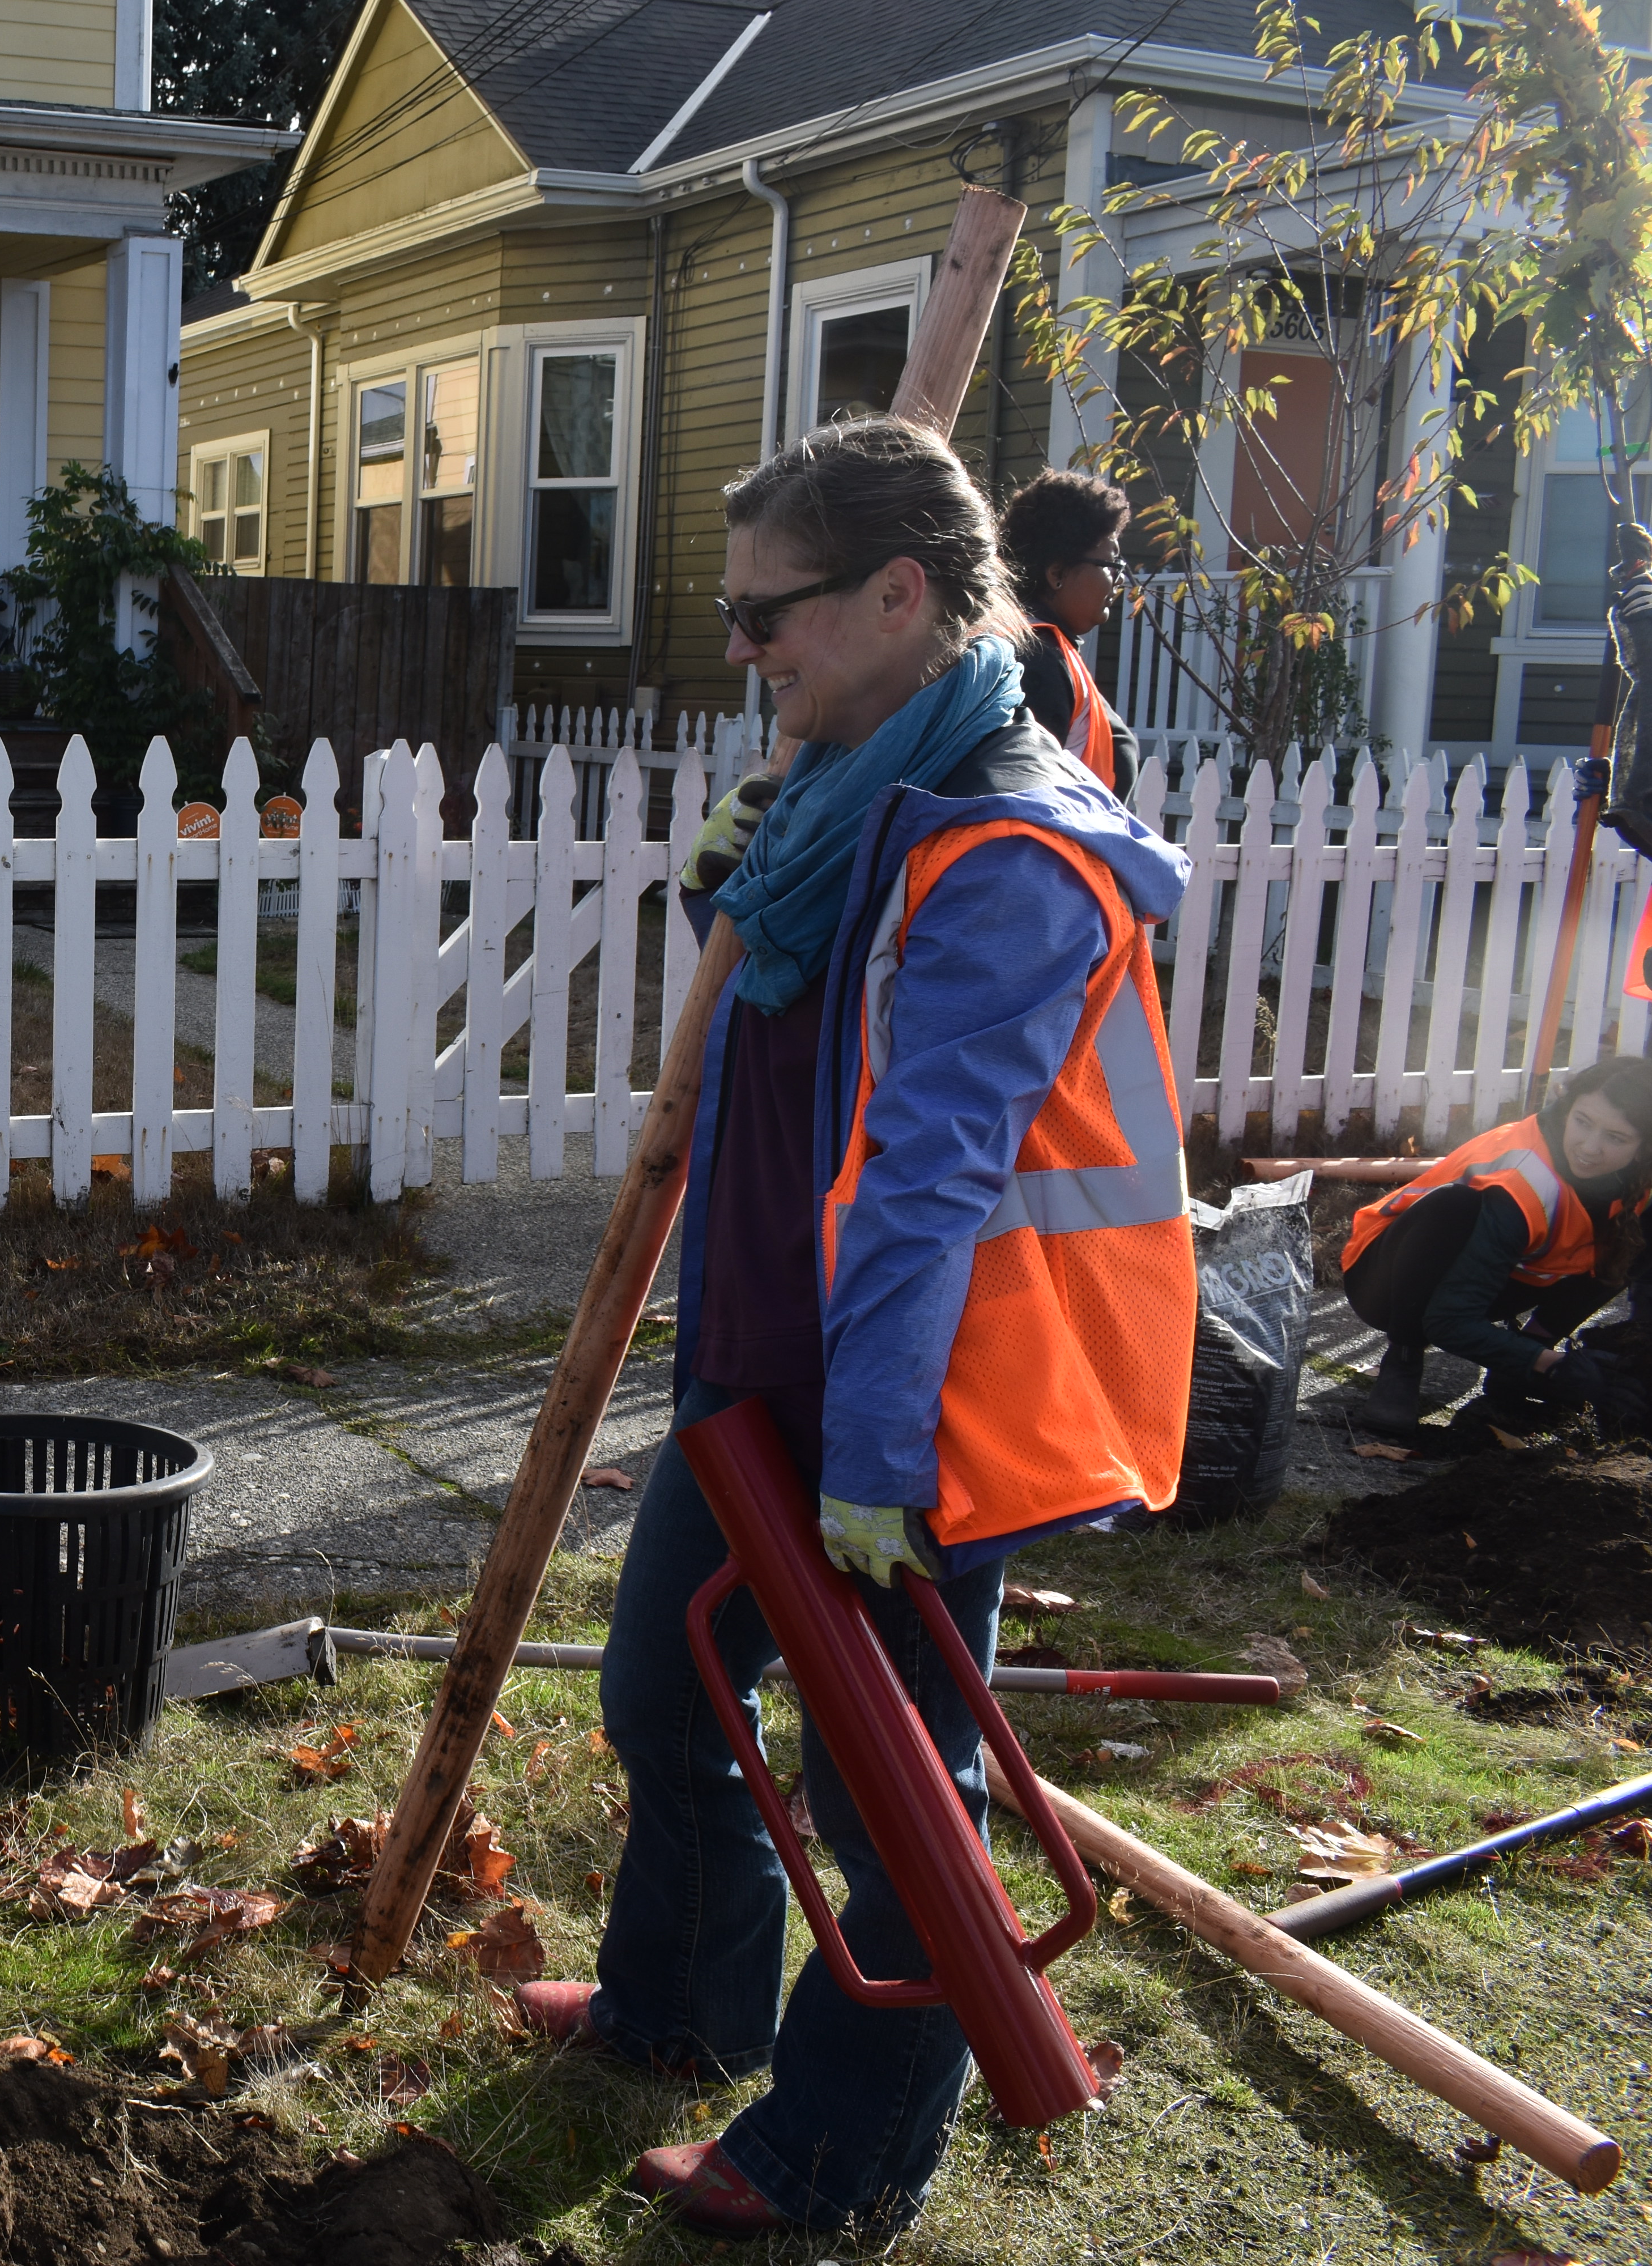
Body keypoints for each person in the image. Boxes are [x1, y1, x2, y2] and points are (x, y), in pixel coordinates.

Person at [502, 419, 1196, 2238]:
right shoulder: (840, 795)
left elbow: (925, 1189)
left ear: (898, 595)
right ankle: (681, 2011)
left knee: (885, 1790)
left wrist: (875, 1465)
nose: (737, 654)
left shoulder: (1012, 861)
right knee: (660, 1690)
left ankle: (839, 2148)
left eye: (763, 616)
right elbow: (794, 1044)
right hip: (754, 1359)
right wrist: (745, 876)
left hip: (904, 1399)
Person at [1342, 1057, 1652, 1439]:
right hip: (1389, 1280)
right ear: (1569, 1108)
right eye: (1583, 1122)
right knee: (1454, 1207)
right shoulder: (1524, 1176)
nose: (1590, 1147)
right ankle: (1403, 1359)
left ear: (1643, 1148)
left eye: (1616, 1138)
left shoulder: (1641, 1178)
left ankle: (1531, 1344)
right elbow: (1449, 1321)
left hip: (1505, 1274)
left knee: (1635, 1233)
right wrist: (1555, 1368)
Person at [1000, 467, 1136, 798]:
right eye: (1110, 565)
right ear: (1057, 573)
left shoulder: (1041, 645)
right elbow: (1027, 795)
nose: (1119, 579)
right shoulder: (1034, 661)